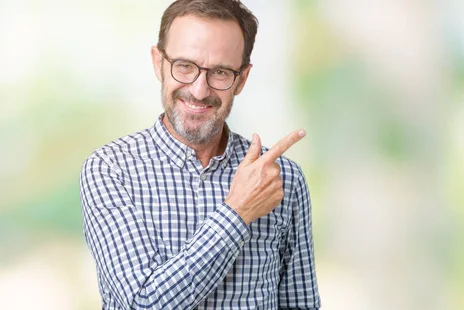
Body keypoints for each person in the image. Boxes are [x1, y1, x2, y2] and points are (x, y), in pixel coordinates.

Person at [79, 0, 321, 309]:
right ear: (158, 63)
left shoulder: (281, 178)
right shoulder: (110, 170)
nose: (199, 90)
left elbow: (300, 305)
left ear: (242, 79)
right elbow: (143, 303)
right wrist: (238, 211)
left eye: (220, 72)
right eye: (184, 66)